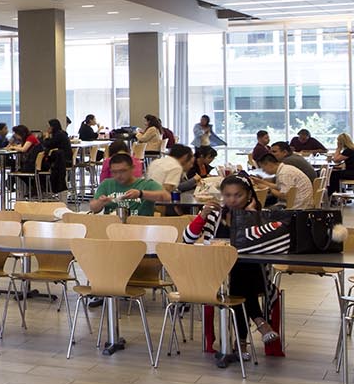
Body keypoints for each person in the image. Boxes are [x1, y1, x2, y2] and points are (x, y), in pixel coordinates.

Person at [184, 175, 280, 362]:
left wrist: (249, 218)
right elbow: (187, 239)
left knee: (239, 276)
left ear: (249, 195)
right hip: (216, 273)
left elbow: (264, 248)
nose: (232, 200)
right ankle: (258, 323)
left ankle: (242, 342)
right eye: (227, 195)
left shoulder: (260, 215)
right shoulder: (214, 214)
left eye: (238, 195)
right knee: (236, 277)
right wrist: (202, 216)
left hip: (251, 274)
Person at [88, 152, 166, 214]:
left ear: (132, 168)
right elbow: (94, 208)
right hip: (112, 226)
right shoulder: (106, 184)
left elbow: (166, 197)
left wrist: (141, 194)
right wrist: (101, 202)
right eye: (114, 172)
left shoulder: (145, 184)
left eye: (123, 171)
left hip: (140, 227)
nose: (118, 175)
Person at [147, 144, 192, 212]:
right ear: (185, 157)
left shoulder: (156, 161)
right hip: (158, 204)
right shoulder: (176, 167)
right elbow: (167, 189)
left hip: (146, 199)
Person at [41, 118, 72, 194]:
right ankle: (45, 188)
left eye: (49, 127)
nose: (47, 129)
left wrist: (47, 137)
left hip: (63, 161)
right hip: (66, 159)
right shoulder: (62, 133)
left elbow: (49, 144)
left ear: (53, 127)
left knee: (42, 166)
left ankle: (45, 188)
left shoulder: (58, 135)